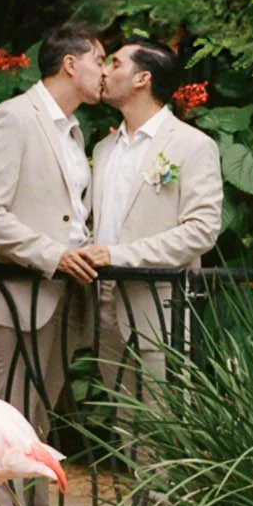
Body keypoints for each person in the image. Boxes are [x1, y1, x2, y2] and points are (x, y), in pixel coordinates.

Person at [0, 23, 103, 506]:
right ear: (70, 64)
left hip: (60, 297)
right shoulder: (14, 118)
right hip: (15, 294)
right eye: (99, 60)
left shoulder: (74, 131)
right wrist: (52, 255)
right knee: (8, 421)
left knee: (36, 424)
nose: (105, 72)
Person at [84, 39, 224, 402]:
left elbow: (201, 231)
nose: (104, 71)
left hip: (160, 304)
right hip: (102, 301)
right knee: (124, 424)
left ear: (142, 78)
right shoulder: (103, 149)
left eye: (115, 64)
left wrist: (119, 256)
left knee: (164, 423)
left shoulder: (193, 145)